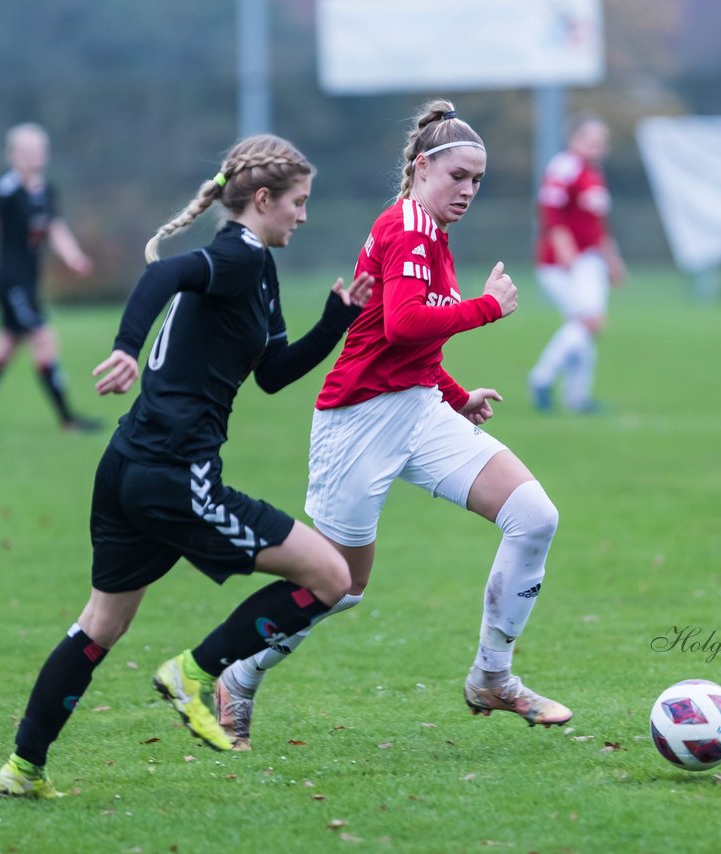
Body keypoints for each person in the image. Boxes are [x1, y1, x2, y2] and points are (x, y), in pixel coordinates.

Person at [0, 133, 374, 798]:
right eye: (298, 202)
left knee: (102, 623)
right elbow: (163, 273)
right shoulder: (235, 255)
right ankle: (198, 672)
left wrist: (337, 319)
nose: (304, 216)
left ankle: (22, 768)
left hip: (130, 464)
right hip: (174, 471)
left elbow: (275, 374)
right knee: (333, 576)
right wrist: (125, 348)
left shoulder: (260, 268)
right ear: (262, 199)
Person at [214, 100, 572, 752]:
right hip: (359, 421)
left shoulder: (432, 233)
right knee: (340, 586)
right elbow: (406, 323)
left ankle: (492, 676)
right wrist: (488, 308)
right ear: (420, 166)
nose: (467, 191)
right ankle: (237, 676)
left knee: (534, 516)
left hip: (417, 408)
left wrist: (456, 396)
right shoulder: (406, 227)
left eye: (477, 182)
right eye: (457, 176)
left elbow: (407, 343)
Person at [0, 122, 100, 435]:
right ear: (13, 155)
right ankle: (67, 418)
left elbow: (55, 229)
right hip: (10, 282)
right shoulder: (6, 191)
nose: (34, 155)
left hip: (29, 284)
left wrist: (74, 257)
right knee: (44, 338)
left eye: (38, 149)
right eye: (26, 150)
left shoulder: (47, 192)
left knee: (4, 347)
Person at [526, 114, 627, 414]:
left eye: (601, 141)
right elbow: (551, 212)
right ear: (574, 139)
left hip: (590, 260)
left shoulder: (592, 173)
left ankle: (576, 397)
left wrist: (612, 260)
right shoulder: (565, 166)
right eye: (590, 139)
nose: (597, 146)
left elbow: (597, 226)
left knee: (583, 326)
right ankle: (542, 378)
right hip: (566, 262)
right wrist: (565, 250)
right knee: (588, 322)